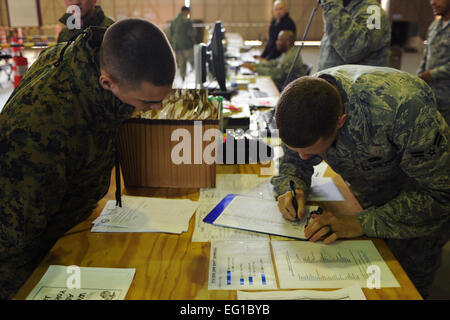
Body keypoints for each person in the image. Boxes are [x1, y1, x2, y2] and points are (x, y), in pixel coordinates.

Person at [0, 18, 176, 300]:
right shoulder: (43, 129)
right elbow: (13, 240)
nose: (156, 109)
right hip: (25, 264)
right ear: (107, 82)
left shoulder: (88, 64)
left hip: (67, 231)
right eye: (148, 103)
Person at [271, 65, 450, 298]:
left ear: (340, 122)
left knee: (404, 287)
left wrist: (360, 223)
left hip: (416, 215)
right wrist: (293, 187)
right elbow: (295, 159)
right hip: (367, 196)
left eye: (312, 151)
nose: (305, 156)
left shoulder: (405, 108)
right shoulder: (302, 102)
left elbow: (439, 194)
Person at [318, 0, 391, 71]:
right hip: (331, 81)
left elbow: (353, 50)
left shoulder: (373, 10)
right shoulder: (342, 8)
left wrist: (331, 4)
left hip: (359, 82)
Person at [417, 0, 450, 125]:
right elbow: (426, 56)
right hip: (431, 94)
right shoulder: (434, 26)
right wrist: (419, 75)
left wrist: (432, 74)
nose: (432, 2)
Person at [169, 6, 197, 81]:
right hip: (187, 45)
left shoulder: (174, 20)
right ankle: (197, 78)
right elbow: (191, 33)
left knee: (182, 63)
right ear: (186, 11)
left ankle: (183, 78)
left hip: (177, 46)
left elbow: (170, 33)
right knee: (193, 62)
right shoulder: (187, 20)